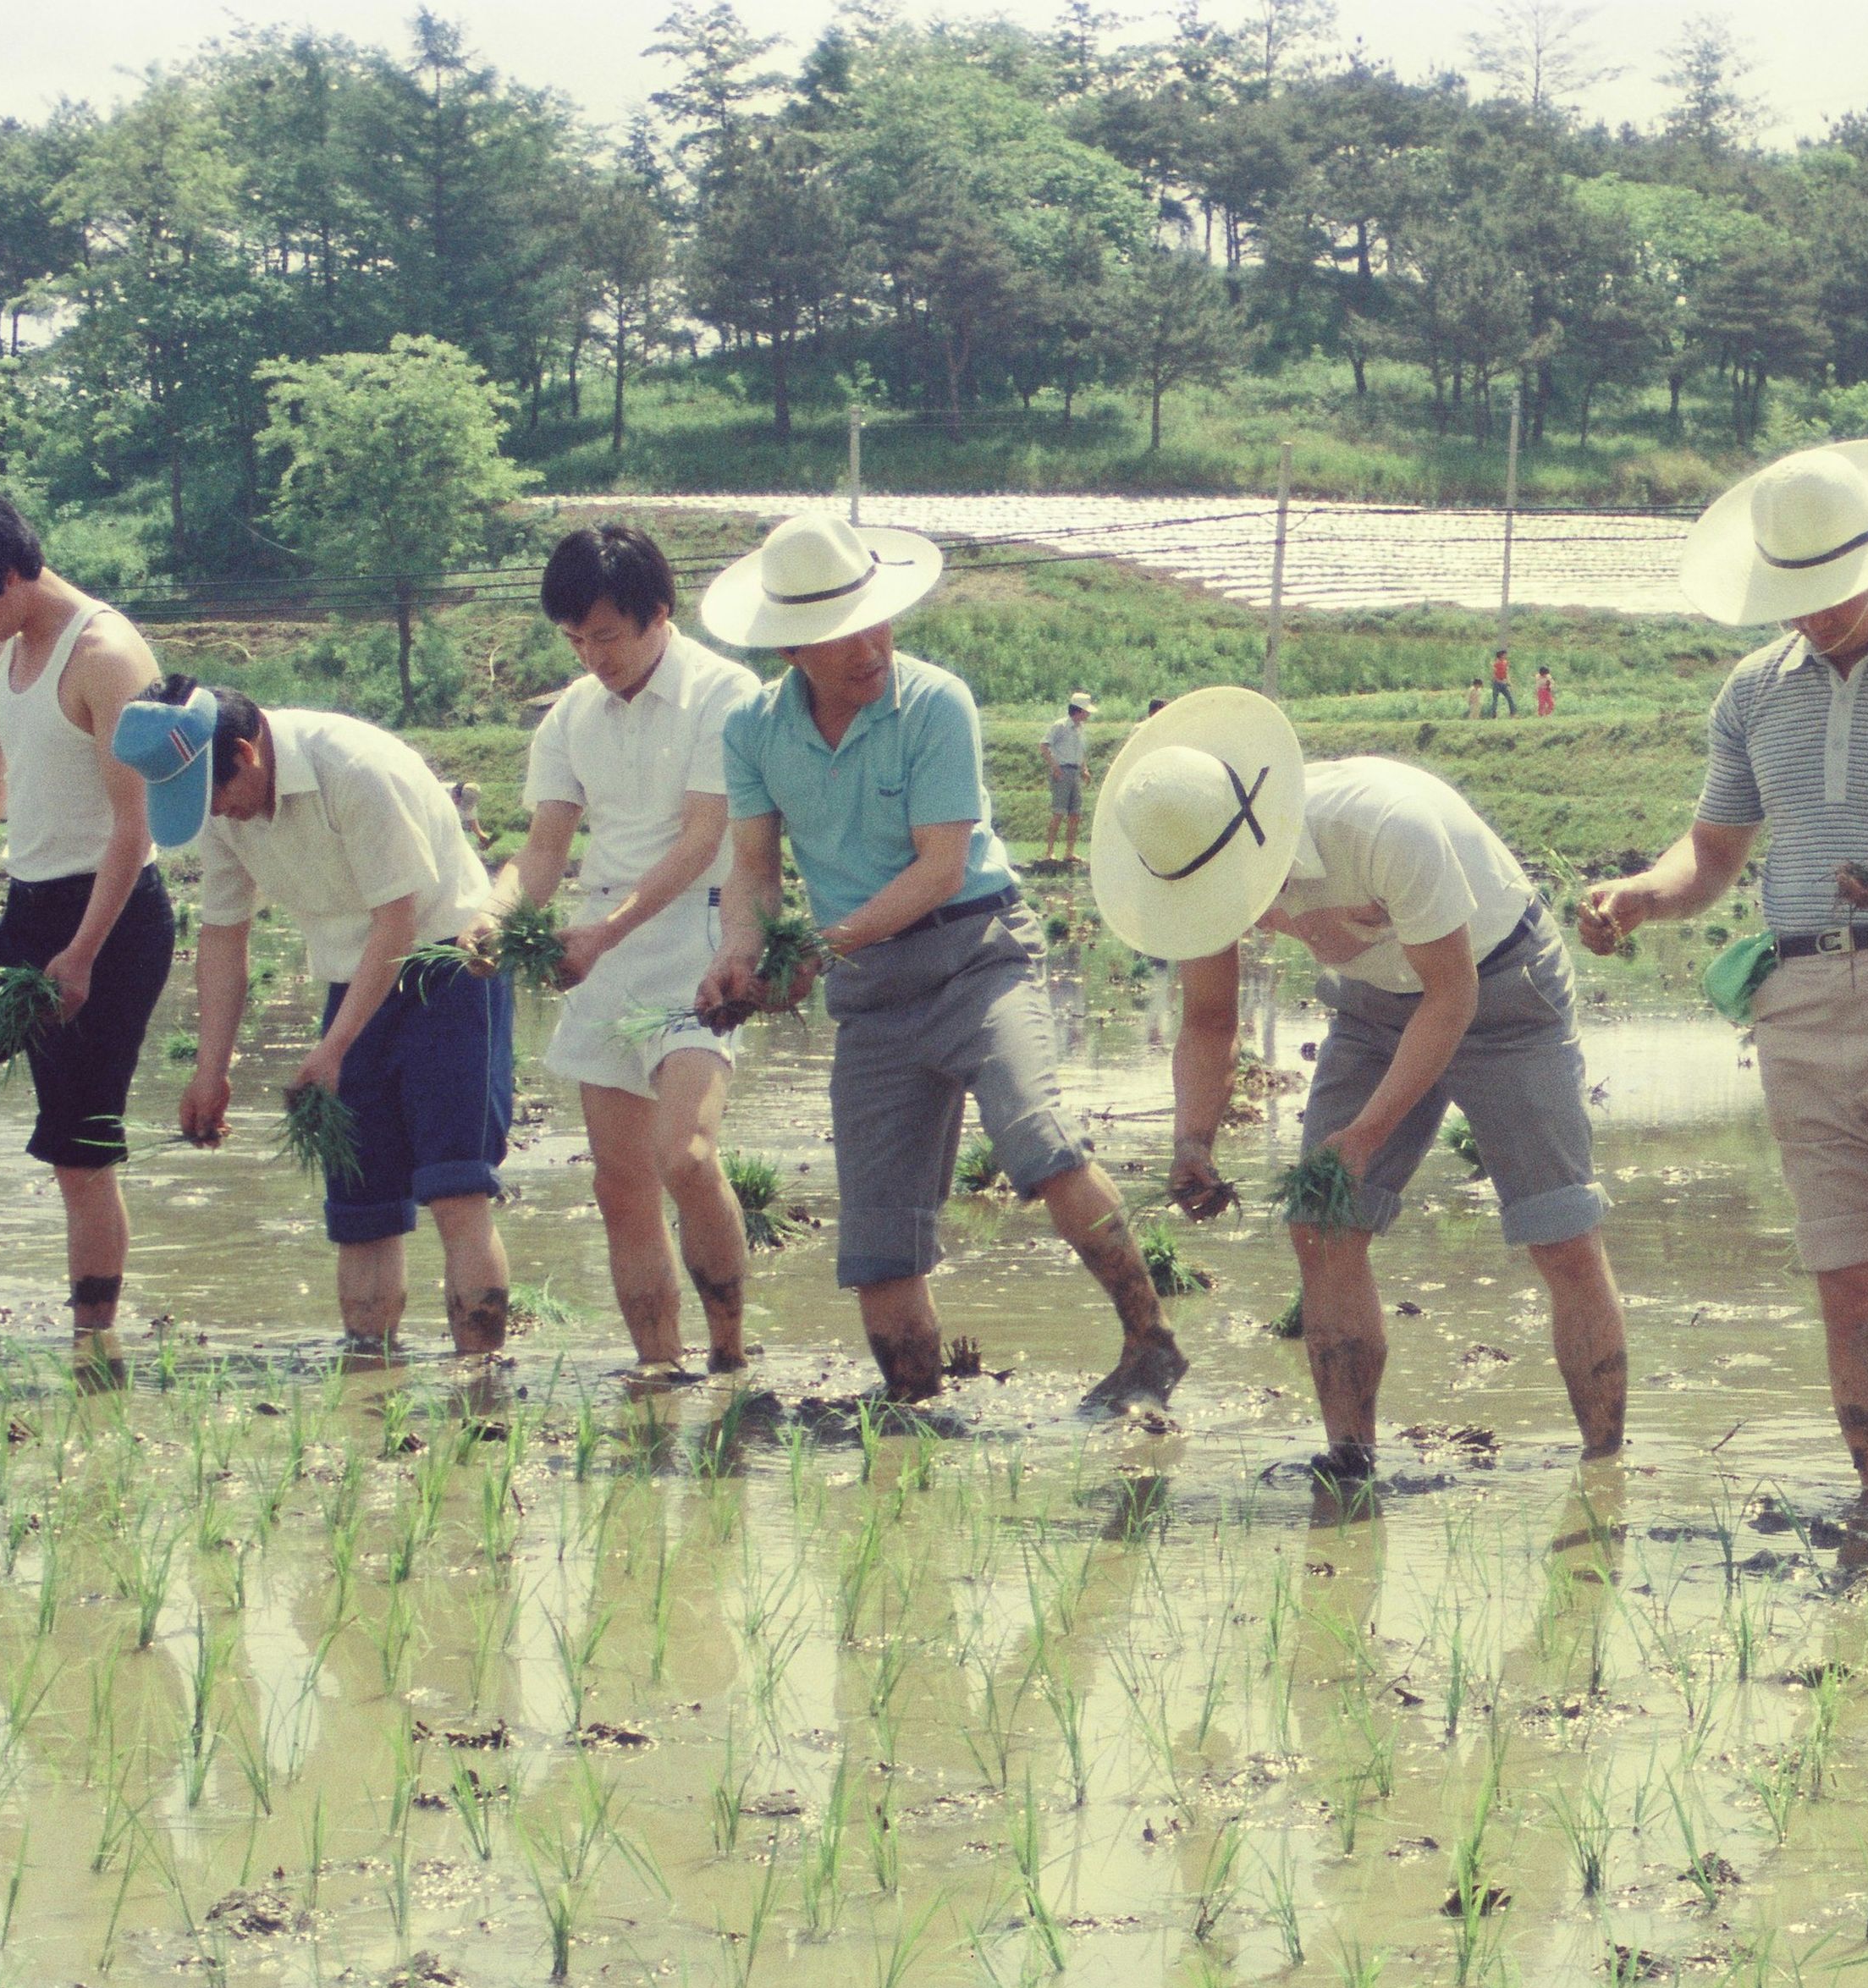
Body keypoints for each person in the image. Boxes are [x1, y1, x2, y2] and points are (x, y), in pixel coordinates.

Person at [1579, 440, 1868, 1504]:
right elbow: (1712, 855)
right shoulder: (1751, 696)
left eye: (1832, 593)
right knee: (1847, 1278)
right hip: (1798, 1003)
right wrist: (1644, 893)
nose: (1813, 617)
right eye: (1793, 598)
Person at [696, 512, 1182, 1414]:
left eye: (876, 620)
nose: (870, 646)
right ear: (792, 647)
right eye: (842, 634)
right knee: (878, 1238)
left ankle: (1149, 1341)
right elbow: (755, 872)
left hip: (976, 958)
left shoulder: (934, 703)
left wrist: (817, 948)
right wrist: (739, 953)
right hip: (873, 997)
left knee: (1037, 1140)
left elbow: (939, 866)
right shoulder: (753, 735)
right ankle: (913, 1414)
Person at [1099, 686, 1628, 1484]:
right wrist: (1191, 1138)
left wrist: (1366, 1135)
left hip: (1501, 986)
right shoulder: (1193, 854)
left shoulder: (1384, 825)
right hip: (1375, 1009)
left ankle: (1605, 1469)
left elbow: (1452, 999)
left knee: (1560, 1233)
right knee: (1322, 1223)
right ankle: (1349, 1463)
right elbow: (1210, 1019)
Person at [124, 680, 513, 1365]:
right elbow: (221, 935)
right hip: (349, 980)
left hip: (447, 967)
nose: (216, 814)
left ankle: (480, 1386)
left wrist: (332, 1049)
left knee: (456, 1188)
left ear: (245, 753)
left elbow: (396, 918)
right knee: (358, 1210)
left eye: (214, 795)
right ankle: (370, 1378)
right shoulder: (221, 808)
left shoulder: (354, 770)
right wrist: (211, 1070)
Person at [495, 522, 759, 1379]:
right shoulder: (571, 717)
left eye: (605, 636)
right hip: (603, 947)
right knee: (620, 1189)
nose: (591, 657)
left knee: (685, 1156)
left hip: (698, 936)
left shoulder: (725, 693)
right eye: (574, 640)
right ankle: (659, 1368)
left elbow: (701, 837)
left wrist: (605, 936)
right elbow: (542, 851)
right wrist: (491, 921)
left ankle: (728, 1354)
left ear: (658, 614)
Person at [0, 474, 172, 1374]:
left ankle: (95, 1344)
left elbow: (138, 823)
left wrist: (78, 957)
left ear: (8, 575)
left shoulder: (109, 656)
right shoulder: (1, 655)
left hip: (110, 927)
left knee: (79, 1151)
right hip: (27, 912)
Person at [1040, 691, 1093, 869]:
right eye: (1087, 711)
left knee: (1075, 814)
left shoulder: (1080, 729)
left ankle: (1069, 852)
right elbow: (1044, 746)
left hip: (1075, 772)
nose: (1089, 714)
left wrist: (1084, 769)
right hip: (1062, 771)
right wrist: (1055, 767)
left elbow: (1081, 751)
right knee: (1058, 812)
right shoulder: (1060, 726)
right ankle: (1050, 851)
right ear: (1079, 710)